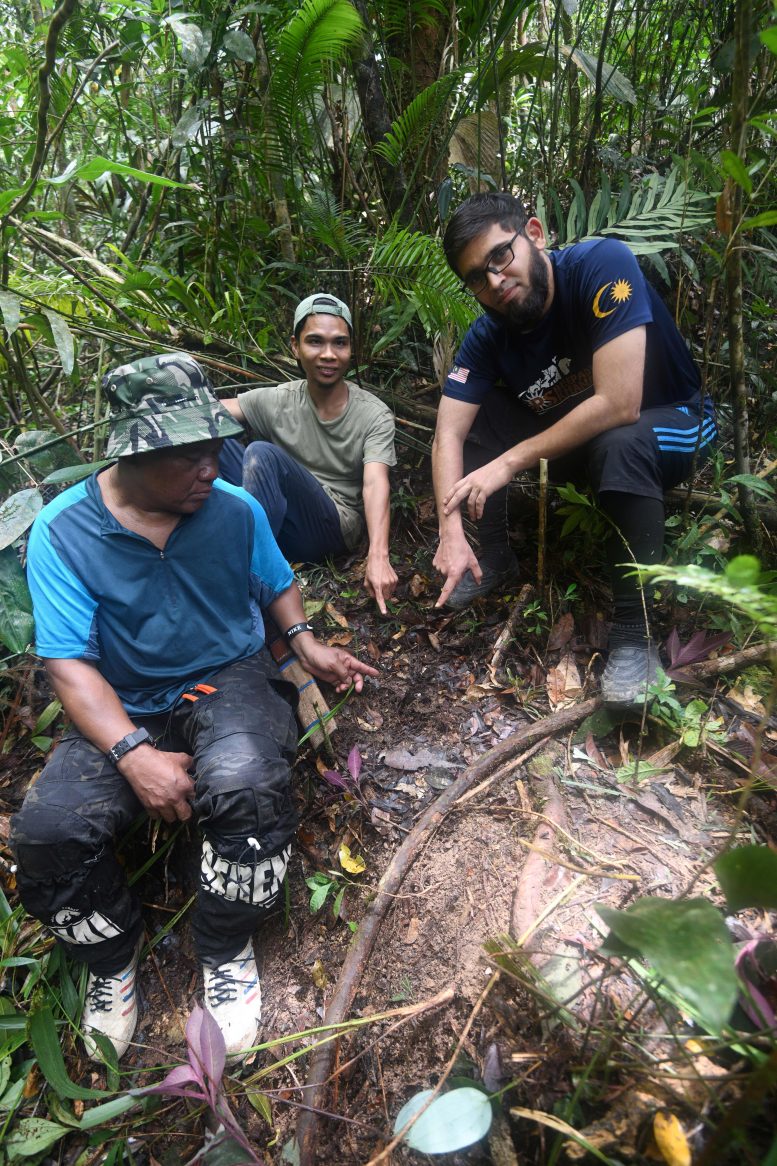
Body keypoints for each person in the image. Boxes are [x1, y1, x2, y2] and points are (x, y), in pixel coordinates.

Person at [9, 353, 379, 1063]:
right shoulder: (63, 532)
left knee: (246, 786)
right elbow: (69, 665)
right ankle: (111, 959)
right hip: (123, 697)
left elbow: (274, 582)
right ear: (131, 451)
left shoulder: (232, 511)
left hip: (227, 674)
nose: (212, 468)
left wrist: (304, 643)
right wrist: (132, 754)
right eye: (190, 456)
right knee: (48, 834)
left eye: (216, 449)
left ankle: (225, 940)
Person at [432, 193, 716, 708]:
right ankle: (491, 558)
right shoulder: (487, 334)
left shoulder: (601, 266)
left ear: (535, 234)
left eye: (500, 256)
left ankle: (634, 635)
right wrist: (450, 531)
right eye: (476, 277)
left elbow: (619, 404)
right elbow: (447, 433)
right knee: (482, 416)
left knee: (620, 441)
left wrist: (508, 462)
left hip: (674, 422)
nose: (494, 282)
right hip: (581, 442)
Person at [219, 293, 398, 614]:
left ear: (351, 349)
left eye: (339, 343)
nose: (328, 354)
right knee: (209, 438)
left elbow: (375, 483)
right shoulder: (278, 399)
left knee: (262, 454)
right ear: (295, 346)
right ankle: (211, 544)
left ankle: (247, 579)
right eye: (315, 342)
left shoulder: (374, 414)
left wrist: (378, 556)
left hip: (330, 527)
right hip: (276, 518)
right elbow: (209, 414)